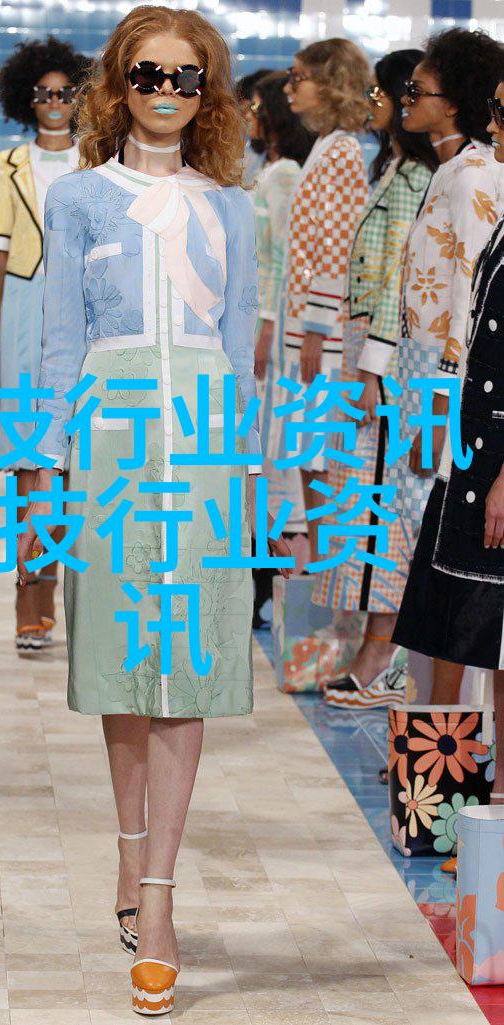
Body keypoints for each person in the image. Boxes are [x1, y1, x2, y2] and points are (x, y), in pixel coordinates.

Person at [15, 7, 291, 1015]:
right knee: (123, 658)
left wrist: (256, 476)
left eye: (185, 76)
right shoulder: (80, 198)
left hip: (204, 441)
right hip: (110, 439)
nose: (166, 91)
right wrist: (43, 465)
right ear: (118, 83)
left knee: (189, 663)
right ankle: (129, 851)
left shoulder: (233, 210)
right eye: (148, 74)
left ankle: (161, 896)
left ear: (206, 90)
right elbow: (57, 344)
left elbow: (243, 348)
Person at [0, 36, 90, 654]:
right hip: (25, 308)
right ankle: (30, 604)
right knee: (30, 457)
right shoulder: (6, 164)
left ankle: (71, 601)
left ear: (78, 98)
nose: (54, 102)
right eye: (43, 94)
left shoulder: (98, 160)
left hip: (84, 308)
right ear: (26, 100)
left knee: (75, 456)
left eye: (64, 93)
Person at [309, 50, 438, 709]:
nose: (376, 102)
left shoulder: (419, 176)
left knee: (382, 506)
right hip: (365, 346)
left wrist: (372, 367)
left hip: (386, 359)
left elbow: (397, 277)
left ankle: (382, 655)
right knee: (361, 502)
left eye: (384, 92)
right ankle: (371, 646)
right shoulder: (390, 167)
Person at [393, 76, 504, 818]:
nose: (495, 124)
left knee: (475, 615)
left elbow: (459, 304)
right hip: (462, 413)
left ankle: (468, 784)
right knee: (447, 604)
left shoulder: (473, 179)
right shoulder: (472, 180)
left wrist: (438, 410)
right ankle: (441, 780)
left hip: (477, 426)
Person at [281, 39, 370, 563]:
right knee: (309, 458)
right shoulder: (325, 146)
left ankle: (327, 567)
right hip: (309, 327)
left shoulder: (341, 151)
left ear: (331, 84)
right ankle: (321, 568)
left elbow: (337, 246)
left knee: (319, 458)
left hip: (325, 333)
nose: (289, 88)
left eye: (300, 78)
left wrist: (316, 328)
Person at [249, 72, 315, 626]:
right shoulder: (266, 171)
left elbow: (288, 259)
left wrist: (268, 326)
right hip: (255, 325)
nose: (248, 115)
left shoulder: (288, 174)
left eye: (256, 106)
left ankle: (280, 585)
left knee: (274, 456)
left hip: (271, 335)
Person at [235, 67, 271, 185]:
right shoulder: (251, 148)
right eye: (242, 112)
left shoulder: (286, 163)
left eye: (252, 108)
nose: (247, 117)